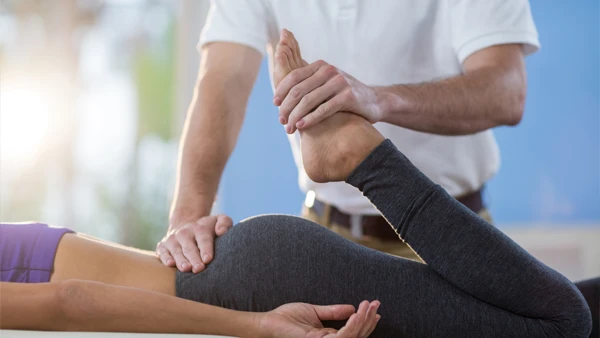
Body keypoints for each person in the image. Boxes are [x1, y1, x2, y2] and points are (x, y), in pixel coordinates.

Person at [0, 42, 592, 336]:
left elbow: (72, 300)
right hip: (250, 268)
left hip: (252, 292)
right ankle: (361, 158)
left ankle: (364, 160)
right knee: (580, 307)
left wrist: (257, 328)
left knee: (563, 323)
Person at [158, 0, 541, 270]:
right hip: (325, 230)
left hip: (453, 233)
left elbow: (506, 91)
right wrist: (187, 220)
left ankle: (354, 149)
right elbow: (222, 81)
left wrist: (378, 101)